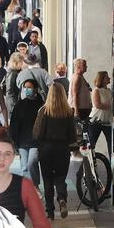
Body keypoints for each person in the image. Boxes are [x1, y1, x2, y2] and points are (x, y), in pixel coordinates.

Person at [0, 132, 55, 228]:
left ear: (13, 157)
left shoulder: (24, 185)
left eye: (7, 154)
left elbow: (40, 223)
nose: (2, 159)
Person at [33, 83, 77, 220]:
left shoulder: (44, 111)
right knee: (60, 178)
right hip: (62, 149)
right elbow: (72, 136)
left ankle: (50, 211)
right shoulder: (69, 112)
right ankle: (62, 198)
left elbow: (37, 133)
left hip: (46, 149)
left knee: (47, 180)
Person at [9, 78, 44, 190]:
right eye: (25, 88)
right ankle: (29, 190)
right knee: (24, 166)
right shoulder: (20, 105)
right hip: (22, 141)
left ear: (35, 89)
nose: (27, 90)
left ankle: (35, 185)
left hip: (36, 140)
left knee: (31, 162)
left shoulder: (41, 105)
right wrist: (14, 140)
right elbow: (14, 123)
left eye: (30, 87)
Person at [88, 71, 112, 155]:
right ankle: (90, 162)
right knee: (91, 143)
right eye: (107, 77)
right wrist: (111, 106)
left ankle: (111, 163)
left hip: (107, 122)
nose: (109, 78)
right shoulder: (96, 91)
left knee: (111, 144)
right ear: (102, 79)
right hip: (96, 121)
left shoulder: (109, 91)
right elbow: (98, 105)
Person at [4, 52, 23, 116]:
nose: (22, 64)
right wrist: (15, 103)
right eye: (21, 62)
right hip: (13, 103)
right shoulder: (12, 73)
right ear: (17, 62)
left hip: (14, 101)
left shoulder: (15, 72)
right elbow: (9, 90)